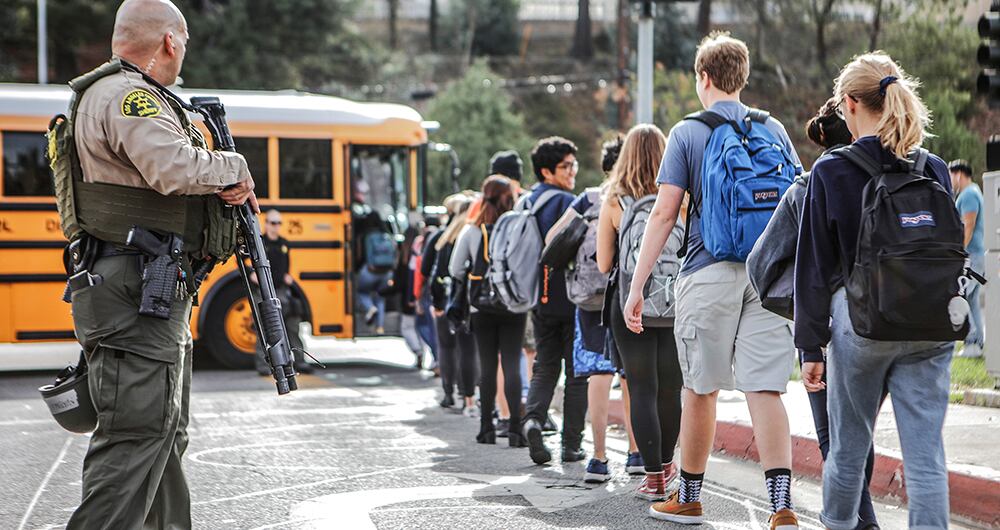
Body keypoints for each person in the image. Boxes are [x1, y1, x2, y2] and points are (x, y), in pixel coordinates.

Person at [61, 1, 257, 527]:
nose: (183, 51)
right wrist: (234, 164)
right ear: (169, 41)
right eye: (184, 41)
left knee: (163, 434)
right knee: (135, 439)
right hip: (135, 289)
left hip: (149, 287)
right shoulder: (130, 96)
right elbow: (172, 167)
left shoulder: (123, 94)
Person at [624, 33, 801, 528]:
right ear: (742, 78)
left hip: (708, 270)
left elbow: (663, 215)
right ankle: (782, 507)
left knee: (700, 390)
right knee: (765, 390)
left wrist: (637, 287)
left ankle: (691, 496)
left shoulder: (688, 132)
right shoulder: (775, 129)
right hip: (769, 274)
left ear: (702, 77)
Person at [797, 52, 956, 530]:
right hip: (931, 323)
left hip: (861, 324)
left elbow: (815, 268)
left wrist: (811, 344)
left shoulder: (831, 170)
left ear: (849, 104)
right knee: (926, 456)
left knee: (848, 449)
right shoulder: (935, 168)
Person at [748, 100, 883, 530]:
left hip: (827, 330)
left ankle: (861, 522)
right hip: (890, 323)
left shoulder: (806, 189)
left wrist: (799, 308)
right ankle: (864, 519)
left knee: (835, 434)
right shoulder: (896, 174)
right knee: (859, 429)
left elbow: (761, 265)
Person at [594, 125, 684, 498]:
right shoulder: (683, 194)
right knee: (671, 389)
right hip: (677, 301)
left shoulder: (615, 200)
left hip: (632, 304)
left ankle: (653, 478)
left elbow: (603, 264)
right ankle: (669, 465)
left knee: (641, 387)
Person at [521, 137, 590, 466]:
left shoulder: (525, 202)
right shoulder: (565, 201)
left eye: (574, 164)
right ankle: (571, 445)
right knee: (576, 371)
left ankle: (533, 419)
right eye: (566, 166)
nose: (573, 171)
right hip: (567, 293)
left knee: (545, 365)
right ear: (546, 171)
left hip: (538, 295)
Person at [450, 175, 528, 446]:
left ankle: (486, 429)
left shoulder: (473, 231)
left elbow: (455, 269)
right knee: (511, 365)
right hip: (513, 303)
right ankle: (516, 431)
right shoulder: (519, 227)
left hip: (480, 306)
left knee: (487, 365)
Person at [424, 194, 479, 411]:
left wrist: (437, 303)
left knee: (446, 347)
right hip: (469, 300)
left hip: (447, 300)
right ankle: (469, 396)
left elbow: (431, 271)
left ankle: (448, 393)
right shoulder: (476, 233)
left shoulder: (443, 238)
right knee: (469, 349)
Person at [253, 209, 313, 376]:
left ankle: (298, 361)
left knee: (292, 327)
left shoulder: (284, 244)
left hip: (282, 291)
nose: (275, 226)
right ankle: (264, 365)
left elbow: (285, 266)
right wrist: (253, 274)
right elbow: (244, 261)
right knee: (265, 329)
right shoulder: (259, 243)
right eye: (272, 223)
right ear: (266, 224)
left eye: (279, 223)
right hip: (264, 291)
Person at [950, 159, 986, 358]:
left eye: (951, 175)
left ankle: (973, 342)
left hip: (971, 255)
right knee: (971, 300)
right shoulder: (971, 192)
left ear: (959, 174)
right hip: (975, 254)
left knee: (962, 298)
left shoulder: (969, 194)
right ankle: (976, 344)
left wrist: (959, 252)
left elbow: (968, 225)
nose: (950, 180)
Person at [355, 208, 397, 335]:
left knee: (362, 292)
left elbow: (367, 254)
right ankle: (380, 327)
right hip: (386, 272)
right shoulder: (387, 235)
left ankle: (370, 308)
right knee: (380, 297)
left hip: (370, 271)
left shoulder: (368, 235)